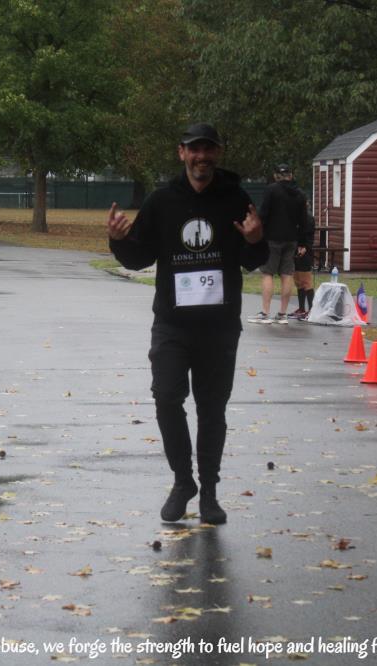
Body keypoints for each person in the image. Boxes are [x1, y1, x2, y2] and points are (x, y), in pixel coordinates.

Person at [107, 122, 268, 524]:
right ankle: (183, 482)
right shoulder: (162, 201)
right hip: (172, 326)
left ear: (218, 153)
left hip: (219, 328)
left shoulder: (235, 199)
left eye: (208, 149)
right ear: (182, 153)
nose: (202, 157)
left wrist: (255, 240)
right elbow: (138, 258)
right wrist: (118, 240)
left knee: (212, 409)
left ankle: (209, 492)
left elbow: (254, 260)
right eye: (194, 150)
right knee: (166, 397)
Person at [248, 164, 308, 325]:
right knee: (287, 274)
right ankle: (282, 314)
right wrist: (303, 243)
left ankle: (265, 313)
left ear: (276, 176)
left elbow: (263, 214)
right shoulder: (300, 194)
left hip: (272, 238)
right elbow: (304, 220)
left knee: (268, 273)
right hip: (292, 239)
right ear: (291, 175)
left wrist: (258, 234)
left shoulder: (271, 190)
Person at [289, 202, 316, 319]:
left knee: (306, 281)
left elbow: (308, 237)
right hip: (295, 250)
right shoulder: (296, 217)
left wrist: (304, 247)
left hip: (305, 252)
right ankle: (301, 309)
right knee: (298, 281)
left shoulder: (308, 218)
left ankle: (312, 310)